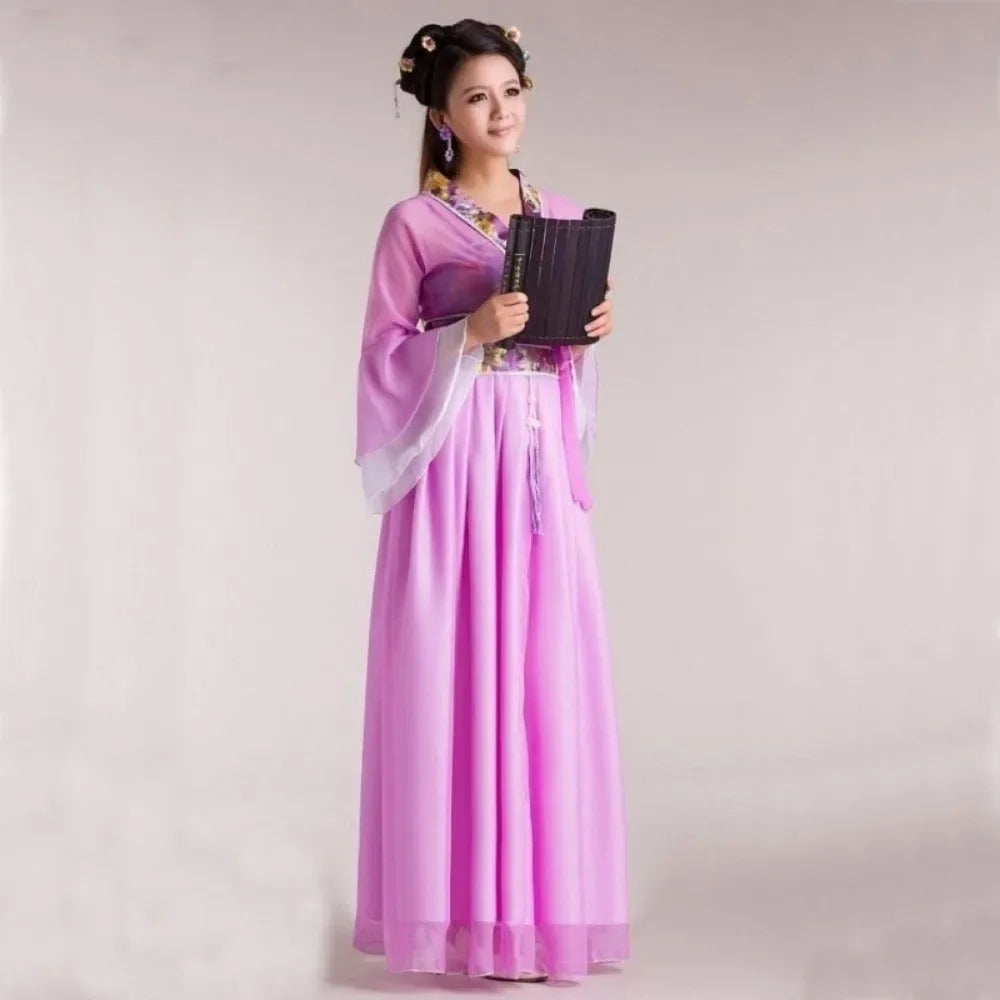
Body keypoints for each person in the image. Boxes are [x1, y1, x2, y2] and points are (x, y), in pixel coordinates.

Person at [351, 18, 630, 985]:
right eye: (477, 97)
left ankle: (545, 918)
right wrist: (466, 332)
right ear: (442, 116)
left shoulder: (562, 216)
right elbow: (381, 356)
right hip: (459, 460)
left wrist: (586, 332)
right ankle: (468, 924)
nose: (500, 111)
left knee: (545, 668)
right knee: (457, 662)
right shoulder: (414, 224)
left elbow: (560, 359)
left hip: (537, 457)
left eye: (511, 91)